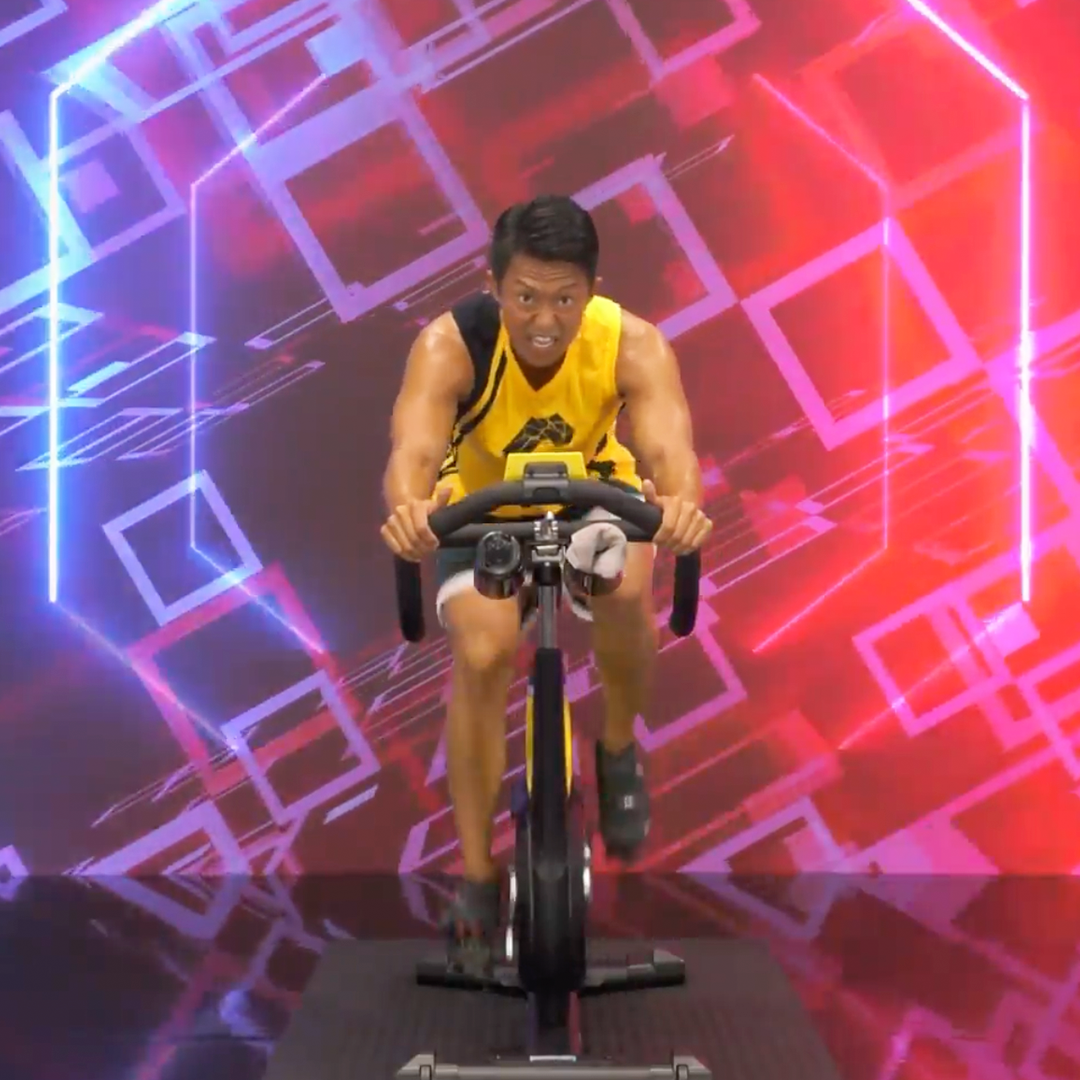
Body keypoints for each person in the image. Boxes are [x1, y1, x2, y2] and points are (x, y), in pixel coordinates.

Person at [380, 194, 711, 960]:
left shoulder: (632, 343)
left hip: (593, 493)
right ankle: (476, 873)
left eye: (565, 300)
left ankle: (618, 749)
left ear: (591, 291)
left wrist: (680, 506)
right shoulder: (450, 344)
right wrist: (409, 511)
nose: (544, 320)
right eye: (525, 297)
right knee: (484, 651)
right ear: (494, 286)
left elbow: (669, 448)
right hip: (482, 506)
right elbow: (415, 451)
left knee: (626, 585)